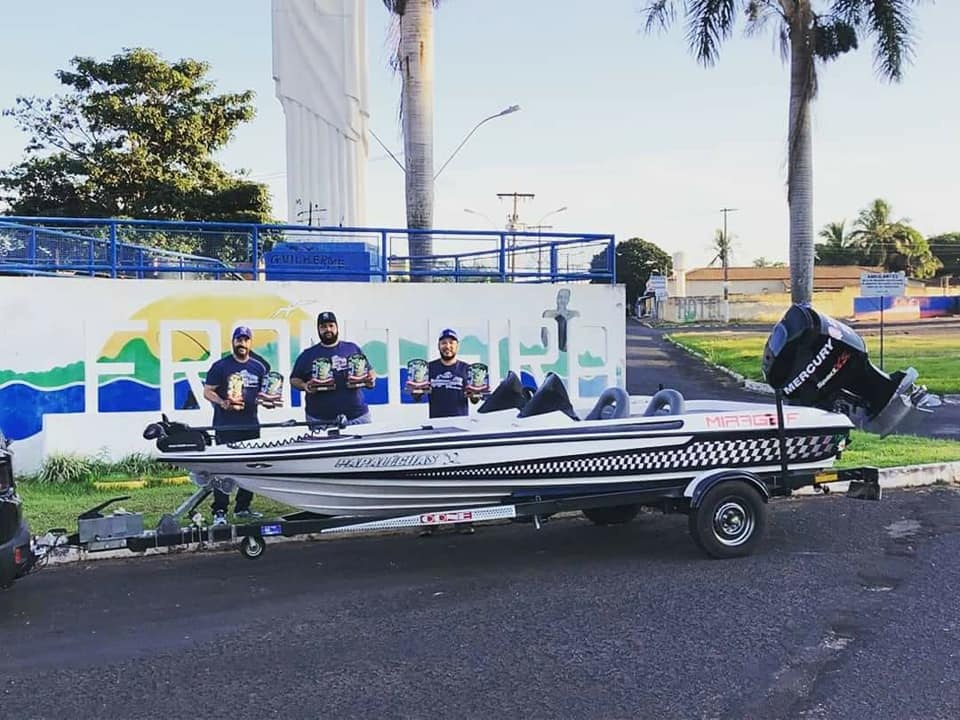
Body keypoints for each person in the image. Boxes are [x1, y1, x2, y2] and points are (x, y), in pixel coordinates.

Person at [411, 328, 479, 536]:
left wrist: (474, 394)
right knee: (431, 475)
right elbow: (416, 396)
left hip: (460, 428)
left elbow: (475, 399)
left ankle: (463, 522)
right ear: (438, 345)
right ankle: (430, 523)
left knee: (461, 476)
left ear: (457, 346)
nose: (447, 346)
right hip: (435, 429)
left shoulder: (467, 369)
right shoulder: (428, 368)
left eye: (451, 342)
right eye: (443, 342)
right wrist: (417, 391)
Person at [202, 326, 270, 525]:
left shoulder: (259, 368)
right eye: (238, 339)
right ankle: (220, 511)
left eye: (245, 339)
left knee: (250, 467)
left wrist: (269, 401)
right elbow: (207, 391)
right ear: (233, 342)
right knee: (223, 468)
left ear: (250, 343)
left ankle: (243, 507)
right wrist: (222, 402)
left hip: (250, 424)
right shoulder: (220, 366)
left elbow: (263, 395)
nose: (242, 343)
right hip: (225, 426)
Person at [290, 311, 376, 426]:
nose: (328, 329)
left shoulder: (352, 348)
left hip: (357, 416)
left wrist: (371, 379)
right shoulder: (307, 355)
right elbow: (294, 379)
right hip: (319, 420)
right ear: (318, 330)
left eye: (331, 325)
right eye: (323, 327)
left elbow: (370, 371)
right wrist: (304, 386)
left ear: (337, 327)